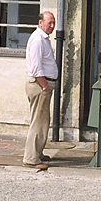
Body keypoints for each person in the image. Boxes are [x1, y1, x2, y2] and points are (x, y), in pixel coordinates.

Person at [22, 11, 58, 170]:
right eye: (49, 22)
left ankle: (37, 153)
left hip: (42, 84)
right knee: (38, 122)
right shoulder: (37, 39)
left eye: (53, 23)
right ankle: (31, 158)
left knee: (42, 121)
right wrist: (44, 85)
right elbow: (36, 68)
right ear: (40, 22)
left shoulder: (43, 38)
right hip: (39, 85)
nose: (52, 26)